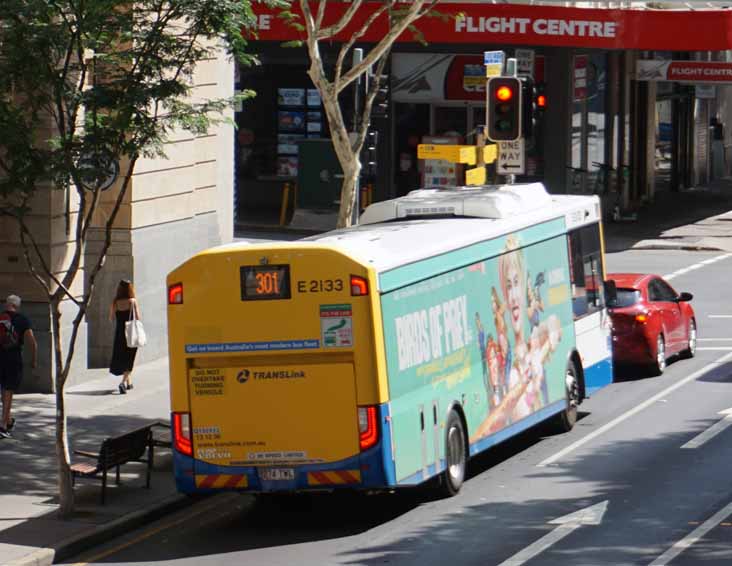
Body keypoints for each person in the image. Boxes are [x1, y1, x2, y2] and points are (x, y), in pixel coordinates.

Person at [0, 294, 38, 439]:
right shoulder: (23, 320)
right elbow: (32, 342)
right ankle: (3, 425)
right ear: (18, 306)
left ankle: (8, 420)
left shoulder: (1, 317)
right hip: (13, 359)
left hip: (1, 358)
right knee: (9, 390)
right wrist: (33, 360)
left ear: (7, 304)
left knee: (4, 389)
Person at [109, 280, 141, 394]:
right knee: (129, 358)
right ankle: (122, 383)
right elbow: (137, 317)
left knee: (122, 357)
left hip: (119, 333)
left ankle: (129, 382)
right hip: (131, 333)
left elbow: (111, 317)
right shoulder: (132, 302)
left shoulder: (115, 302)